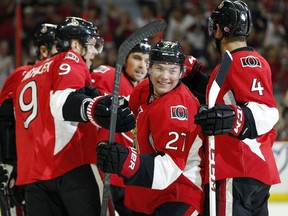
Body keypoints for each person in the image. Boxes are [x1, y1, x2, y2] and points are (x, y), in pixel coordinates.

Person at [13, 16, 135, 216]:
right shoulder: (70, 58)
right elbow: (63, 102)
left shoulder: (28, 74)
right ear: (76, 44)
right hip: (70, 166)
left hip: (33, 175)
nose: (95, 52)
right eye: (93, 45)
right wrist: (96, 109)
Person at [96, 40, 205, 215]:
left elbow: (169, 169)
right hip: (145, 192)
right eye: (160, 68)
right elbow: (129, 116)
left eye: (172, 70)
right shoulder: (144, 88)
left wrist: (126, 161)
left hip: (177, 193)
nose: (165, 77)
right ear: (150, 68)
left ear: (182, 72)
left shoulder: (178, 108)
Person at [193, 1, 281, 215]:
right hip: (254, 172)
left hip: (235, 167)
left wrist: (234, 118)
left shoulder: (242, 60)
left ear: (219, 29)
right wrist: (194, 79)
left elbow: (266, 110)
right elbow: (228, 100)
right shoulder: (234, 63)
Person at [0, 23, 57, 214]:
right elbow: (6, 120)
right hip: (25, 166)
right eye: (59, 47)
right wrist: (10, 163)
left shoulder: (59, 75)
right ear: (43, 50)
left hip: (48, 166)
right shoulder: (22, 74)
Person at [91, 38, 151, 215]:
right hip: (105, 171)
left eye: (147, 61)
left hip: (129, 176)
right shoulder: (111, 76)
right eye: (137, 58)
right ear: (124, 59)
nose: (142, 66)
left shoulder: (146, 91)